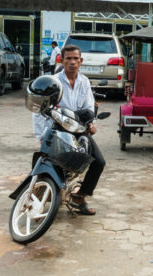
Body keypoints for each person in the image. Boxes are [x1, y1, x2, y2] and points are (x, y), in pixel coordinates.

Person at [58, 44, 106, 214]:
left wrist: (91, 123)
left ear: (81, 61)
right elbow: (40, 110)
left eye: (75, 58)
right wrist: (41, 135)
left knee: (99, 162)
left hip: (79, 129)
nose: (72, 62)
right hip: (59, 129)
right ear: (61, 60)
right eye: (68, 58)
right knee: (53, 160)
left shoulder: (84, 81)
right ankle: (46, 190)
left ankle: (80, 196)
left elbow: (89, 107)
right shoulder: (55, 81)